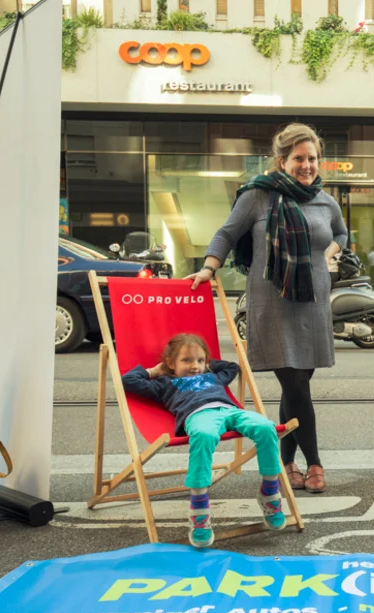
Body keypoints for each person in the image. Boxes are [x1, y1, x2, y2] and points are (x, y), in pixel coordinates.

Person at [187, 123, 348, 494]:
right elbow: (226, 233)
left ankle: (285, 462)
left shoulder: (326, 200)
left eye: (312, 159)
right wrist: (209, 267)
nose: (307, 165)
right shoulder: (259, 196)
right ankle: (316, 463)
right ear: (282, 161)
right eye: (298, 159)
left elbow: (340, 233)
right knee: (295, 385)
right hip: (272, 303)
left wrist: (330, 252)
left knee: (297, 387)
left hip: (313, 300)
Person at [122, 333, 285, 548]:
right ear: (170, 363)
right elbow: (128, 381)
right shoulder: (164, 383)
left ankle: (269, 491)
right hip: (199, 416)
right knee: (205, 436)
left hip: (230, 411)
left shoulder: (213, 377)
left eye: (199, 360)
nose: (194, 366)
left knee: (266, 427)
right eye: (186, 360)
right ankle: (199, 509)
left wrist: (208, 364)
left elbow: (231, 367)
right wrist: (156, 370)